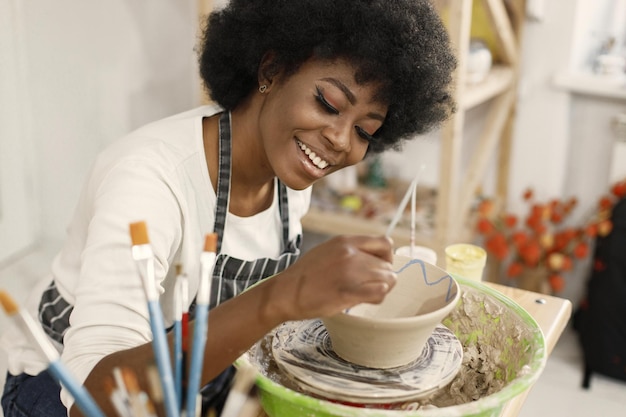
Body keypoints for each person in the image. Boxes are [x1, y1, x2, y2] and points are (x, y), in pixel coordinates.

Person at [1, 0, 456, 416]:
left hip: (192, 370)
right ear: (272, 69)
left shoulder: (291, 170)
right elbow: (96, 402)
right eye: (329, 103)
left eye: (365, 131)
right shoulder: (148, 180)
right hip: (67, 384)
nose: (340, 141)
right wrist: (283, 295)